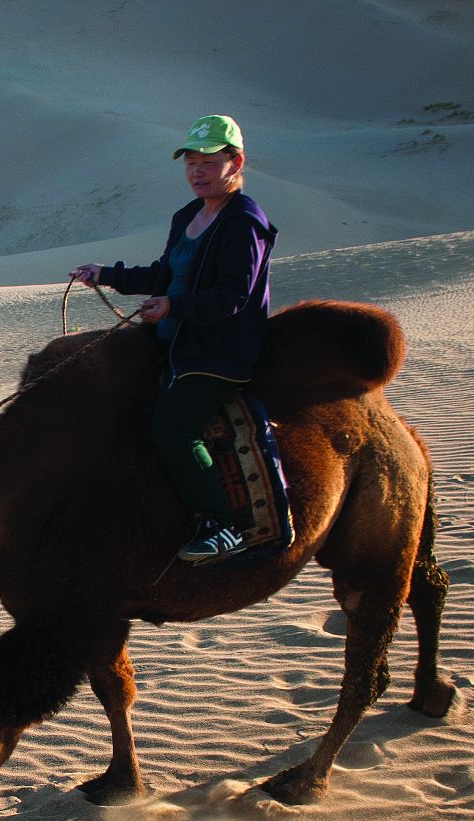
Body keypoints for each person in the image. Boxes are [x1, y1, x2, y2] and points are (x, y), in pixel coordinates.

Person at [71, 114, 277, 564]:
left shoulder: (244, 222)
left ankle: (222, 525)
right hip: (172, 339)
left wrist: (173, 307)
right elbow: (166, 273)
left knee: (173, 427)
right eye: (190, 163)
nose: (197, 172)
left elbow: (233, 296)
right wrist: (105, 275)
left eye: (208, 161)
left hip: (217, 351)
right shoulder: (189, 216)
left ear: (235, 161)